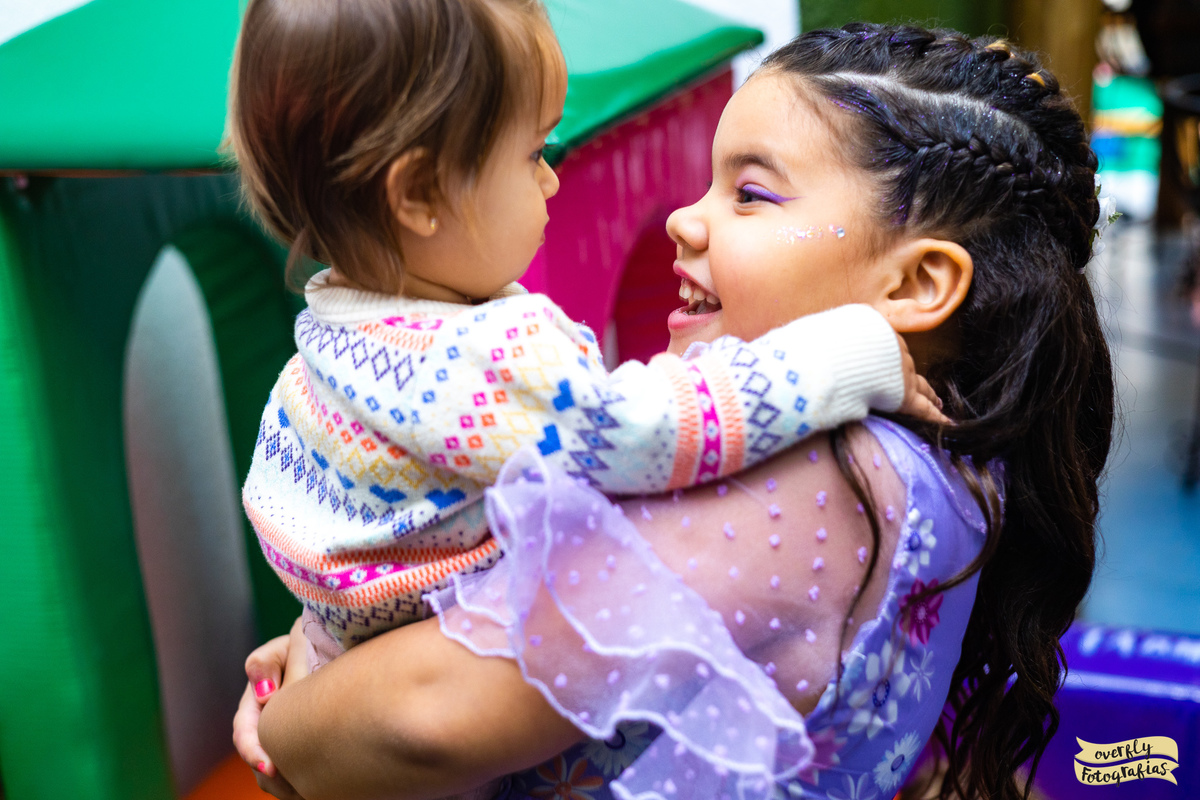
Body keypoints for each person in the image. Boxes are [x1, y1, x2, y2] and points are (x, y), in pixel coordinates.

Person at [233, 22, 1115, 800]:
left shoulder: (820, 479)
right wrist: (337, 637)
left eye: (751, 194)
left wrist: (291, 719)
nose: (684, 221)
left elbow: (424, 719)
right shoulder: (934, 461)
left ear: (918, 284)